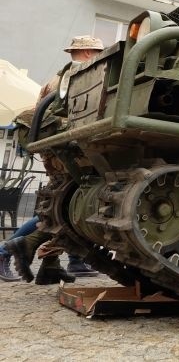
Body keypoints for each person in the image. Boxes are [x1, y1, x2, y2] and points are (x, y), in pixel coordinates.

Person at [4, 35, 104, 285]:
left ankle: (56, 263)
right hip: (65, 150)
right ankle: (6, 251)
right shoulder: (81, 76)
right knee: (62, 208)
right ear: (89, 53)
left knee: (63, 205)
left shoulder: (55, 78)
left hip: (53, 149)